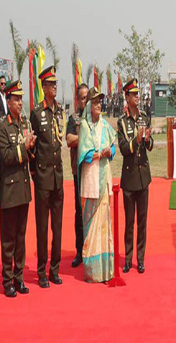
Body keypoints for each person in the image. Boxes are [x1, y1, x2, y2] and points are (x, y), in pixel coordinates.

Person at [0, 80, 35, 297]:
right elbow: (8, 157)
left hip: (23, 188)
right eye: (16, 99)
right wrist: (25, 146)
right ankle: (7, 279)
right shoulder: (3, 125)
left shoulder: (24, 123)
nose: (20, 103)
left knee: (21, 236)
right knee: (8, 237)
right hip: (10, 189)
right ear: (8, 100)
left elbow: (27, 155)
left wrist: (32, 147)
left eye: (21, 99)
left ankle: (19, 277)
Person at [29, 66, 64, 287]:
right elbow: (32, 148)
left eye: (55, 83)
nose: (54, 87)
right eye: (51, 84)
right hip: (42, 176)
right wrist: (34, 173)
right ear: (43, 87)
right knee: (42, 226)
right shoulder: (36, 113)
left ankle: (55, 269)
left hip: (58, 176)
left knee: (57, 226)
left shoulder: (59, 111)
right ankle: (41, 271)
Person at [78, 87, 116, 282]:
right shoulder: (84, 126)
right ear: (89, 106)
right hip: (91, 177)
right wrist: (97, 154)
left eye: (100, 102)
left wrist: (110, 152)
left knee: (105, 222)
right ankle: (93, 270)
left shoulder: (106, 126)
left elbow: (114, 146)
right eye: (95, 103)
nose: (99, 105)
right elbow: (83, 154)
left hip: (104, 176)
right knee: (90, 221)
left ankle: (106, 269)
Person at [117, 78, 153, 274]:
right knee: (129, 221)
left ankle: (140, 259)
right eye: (134, 94)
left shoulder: (144, 117)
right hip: (129, 178)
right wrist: (136, 139)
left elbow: (149, 146)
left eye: (138, 94)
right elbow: (123, 148)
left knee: (142, 220)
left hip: (143, 176)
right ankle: (128, 258)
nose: (138, 97)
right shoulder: (122, 122)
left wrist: (147, 139)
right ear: (127, 97)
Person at [66, 84, 89, 268]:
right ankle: (79, 251)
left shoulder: (95, 116)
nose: (85, 101)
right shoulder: (74, 118)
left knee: (92, 209)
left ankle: (92, 249)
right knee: (79, 211)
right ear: (77, 100)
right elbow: (69, 140)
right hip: (78, 170)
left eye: (88, 97)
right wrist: (85, 137)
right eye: (82, 97)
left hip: (93, 168)